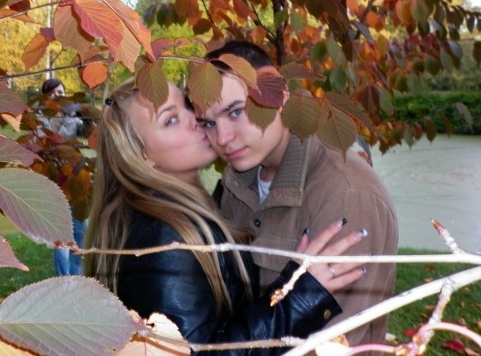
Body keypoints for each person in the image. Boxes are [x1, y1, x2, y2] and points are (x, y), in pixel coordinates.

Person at [84, 79, 368, 354]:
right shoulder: (163, 238)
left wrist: (289, 285)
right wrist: (301, 299)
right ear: (141, 155)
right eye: (170, 120)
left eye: (187, 105)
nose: (196, 119)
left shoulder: (170, 213)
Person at [199, 40, 398, 349]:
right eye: (209, 123)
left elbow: (332, 347)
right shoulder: (236, 182)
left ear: (280, 97)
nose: (222, 138)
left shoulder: (346, 195)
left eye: (236, 112)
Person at [39, 78, 87, 276]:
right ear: (45, 97)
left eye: (60, 92)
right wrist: (62, 117)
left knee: (82, 230)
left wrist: (87, 113)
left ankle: (77, 276)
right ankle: (63, 278)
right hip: (54, 180)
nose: (57, 96)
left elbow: (88, 131)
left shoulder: (72, 116)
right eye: (52, 93)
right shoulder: (40, 119)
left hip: (75, 178)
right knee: (61, 234)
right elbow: (52, 141)